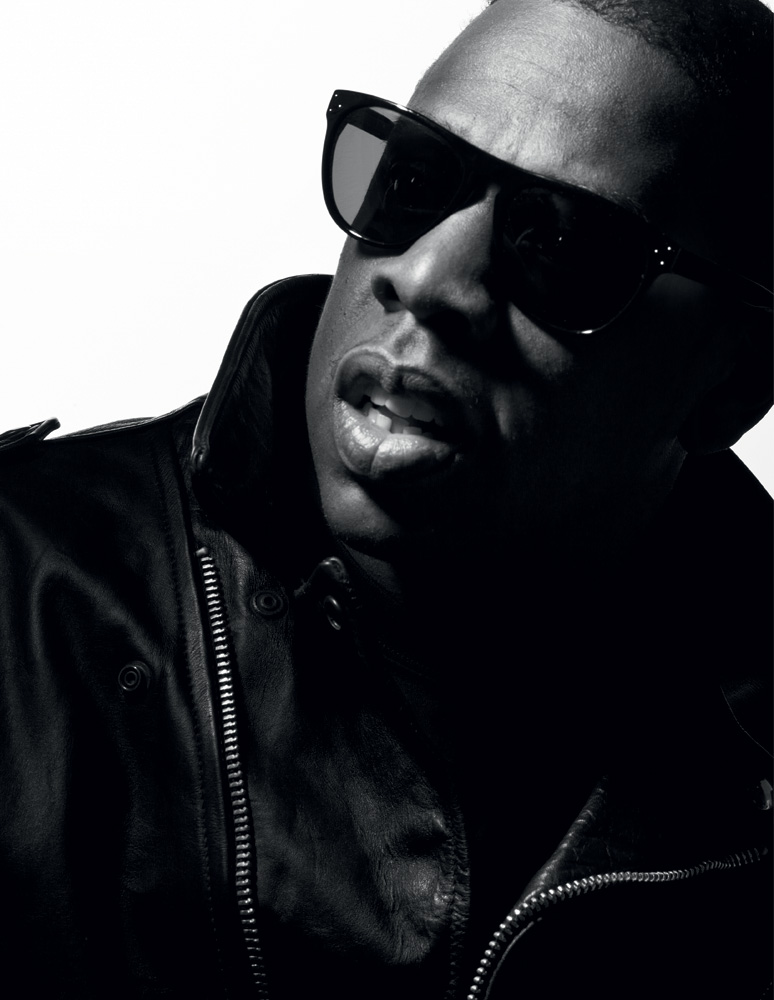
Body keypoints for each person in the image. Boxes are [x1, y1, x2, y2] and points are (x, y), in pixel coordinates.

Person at [1, 0, 771, 997]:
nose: (429, 276)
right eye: (412, 180)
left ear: (730, 385)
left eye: (560, 241)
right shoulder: (18, 592)